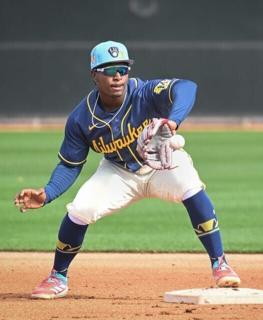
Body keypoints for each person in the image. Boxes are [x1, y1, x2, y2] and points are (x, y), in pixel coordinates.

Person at [14, 40, 241, 299]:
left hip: (161, 164)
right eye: (109, 71)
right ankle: (58, 276)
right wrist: (48, 193)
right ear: (94, 75)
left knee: (190, 185)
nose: (118, 76)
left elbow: (187, 87)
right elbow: (69, 164)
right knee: (81, 209)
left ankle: (220, 263)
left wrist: (173, 121)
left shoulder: (144, 92)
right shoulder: (81, 119)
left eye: (123, 68)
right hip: (118, 171)